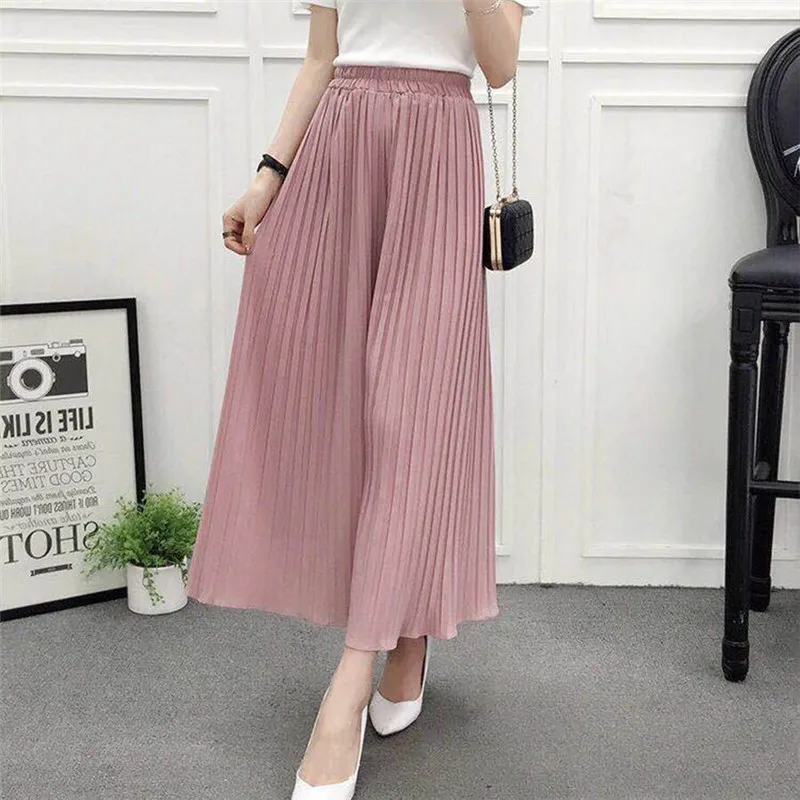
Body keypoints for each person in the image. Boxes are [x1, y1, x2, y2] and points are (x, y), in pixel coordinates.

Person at [185, 0, 539, 797]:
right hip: (340, 150)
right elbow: (322, 56)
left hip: (436, 153)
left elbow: (500, 64)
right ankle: (407, 633)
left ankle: (347, 690)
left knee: (409, 412)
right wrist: (267, 178)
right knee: (337, 397)